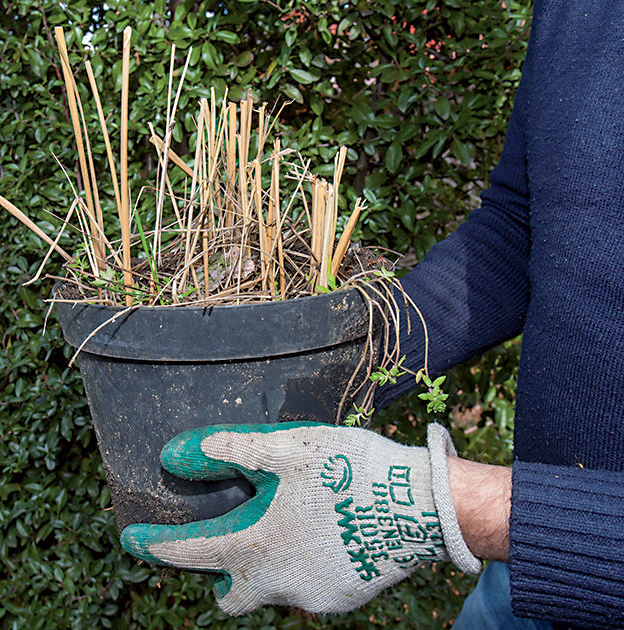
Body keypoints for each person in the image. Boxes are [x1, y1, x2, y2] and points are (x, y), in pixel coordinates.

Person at [120, 3, 624, 628]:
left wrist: (440, 506)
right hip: (528, 574)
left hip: (537, 535)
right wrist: (340, 362)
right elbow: (525, 228)